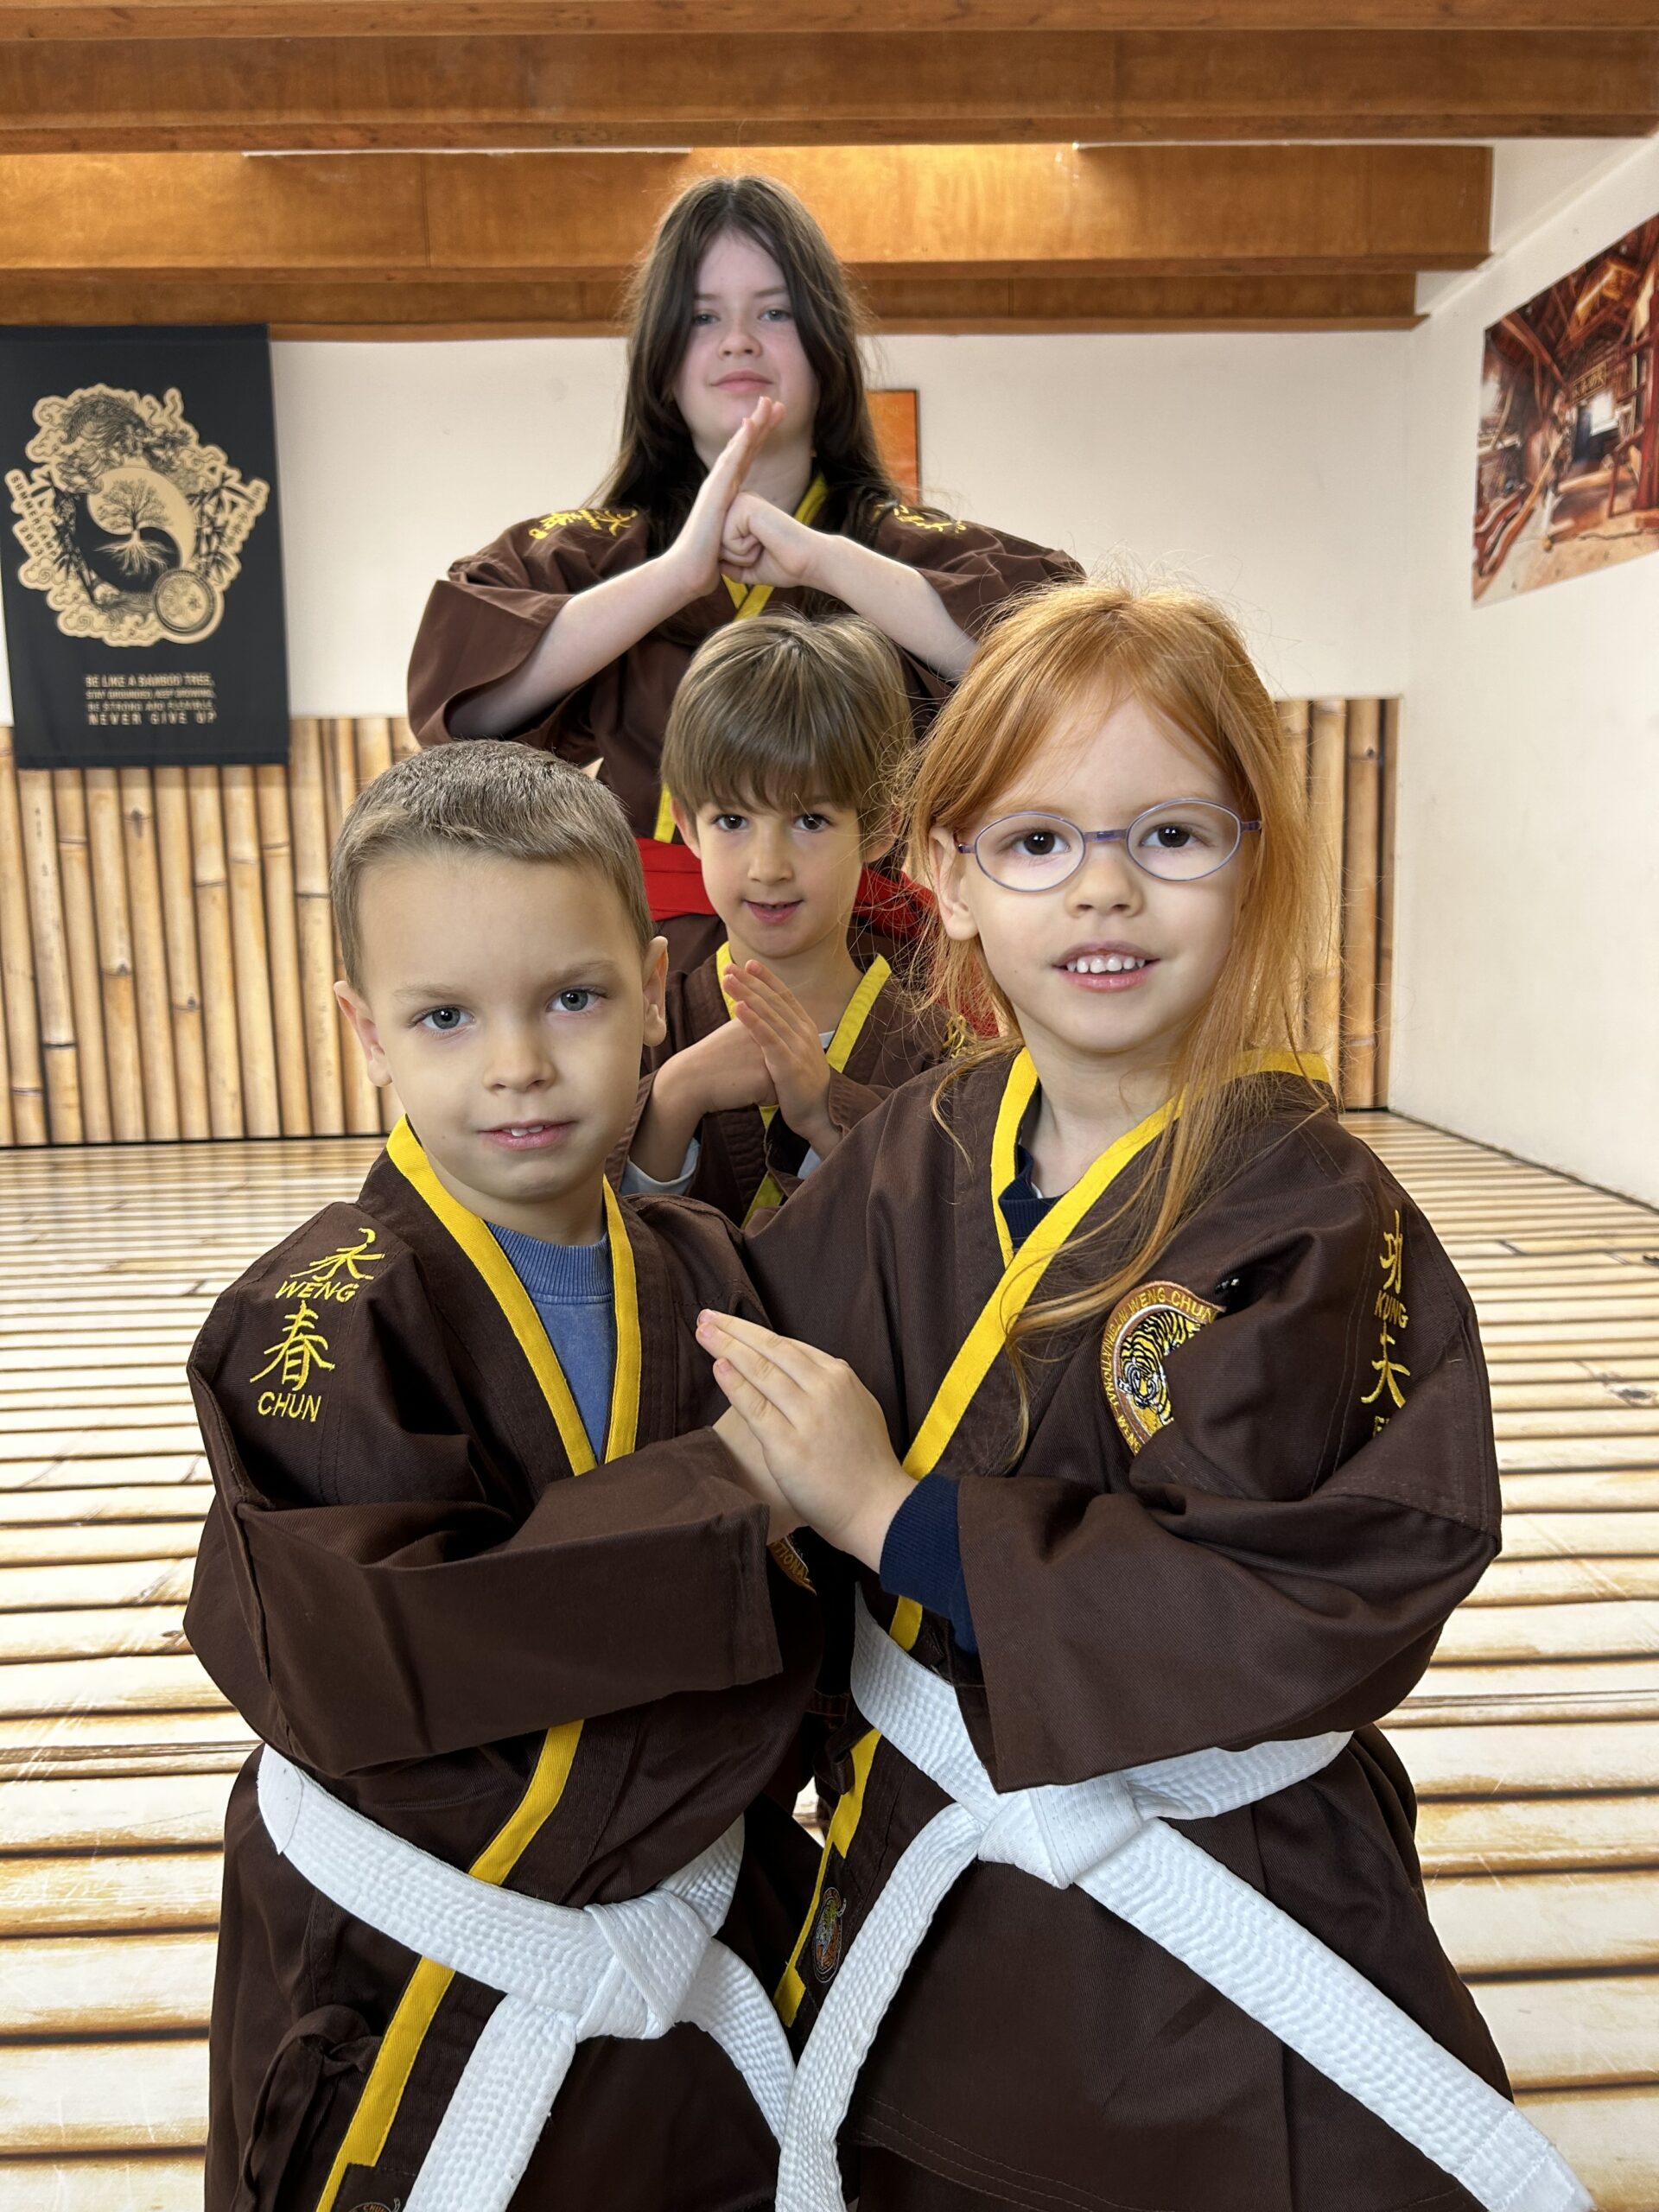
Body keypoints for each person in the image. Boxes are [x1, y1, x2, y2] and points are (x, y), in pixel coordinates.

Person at [696, 585, 1589, 2212]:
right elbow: (746, 1390)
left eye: (1172, 833)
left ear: (1257, 866)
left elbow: (1312, 1587)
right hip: (941, 1881)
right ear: (950, 884)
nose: (1103, 886)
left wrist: (889, 1516)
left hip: (1213, 1925)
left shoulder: (1318, 1217)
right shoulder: (921, 1149)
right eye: (1035, 842)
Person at [182, 741, 820, 2212]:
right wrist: (734, 1501)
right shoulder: (315, 1311)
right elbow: (376, 1646)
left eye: (574, 1000)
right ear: (366, 1029)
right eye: (447, 1016)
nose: (519, 1061)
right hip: (419, 1971)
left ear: (656, 992)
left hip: (685, 1942)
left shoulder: (709, 1264)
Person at [406, 171, 1081, 968]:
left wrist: (826, 560)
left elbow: (1060, 678)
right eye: (702, 318)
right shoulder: (594, 554)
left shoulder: (904, 552)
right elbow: (464, 713)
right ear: (660, 363)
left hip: (870, 976)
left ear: (828, 353)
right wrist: (675, 575)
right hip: (644, 975)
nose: (739, 340)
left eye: (774, 312)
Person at [622, 611, 950, 1226]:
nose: (768, 867)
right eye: (732, 821)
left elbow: (955, 1244)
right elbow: (596, 1245)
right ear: (687, 825)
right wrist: (675, 1095)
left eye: (810, 821)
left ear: (879, 826)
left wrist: (828, 1112)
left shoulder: (936, 1043)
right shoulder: (647, 1025)